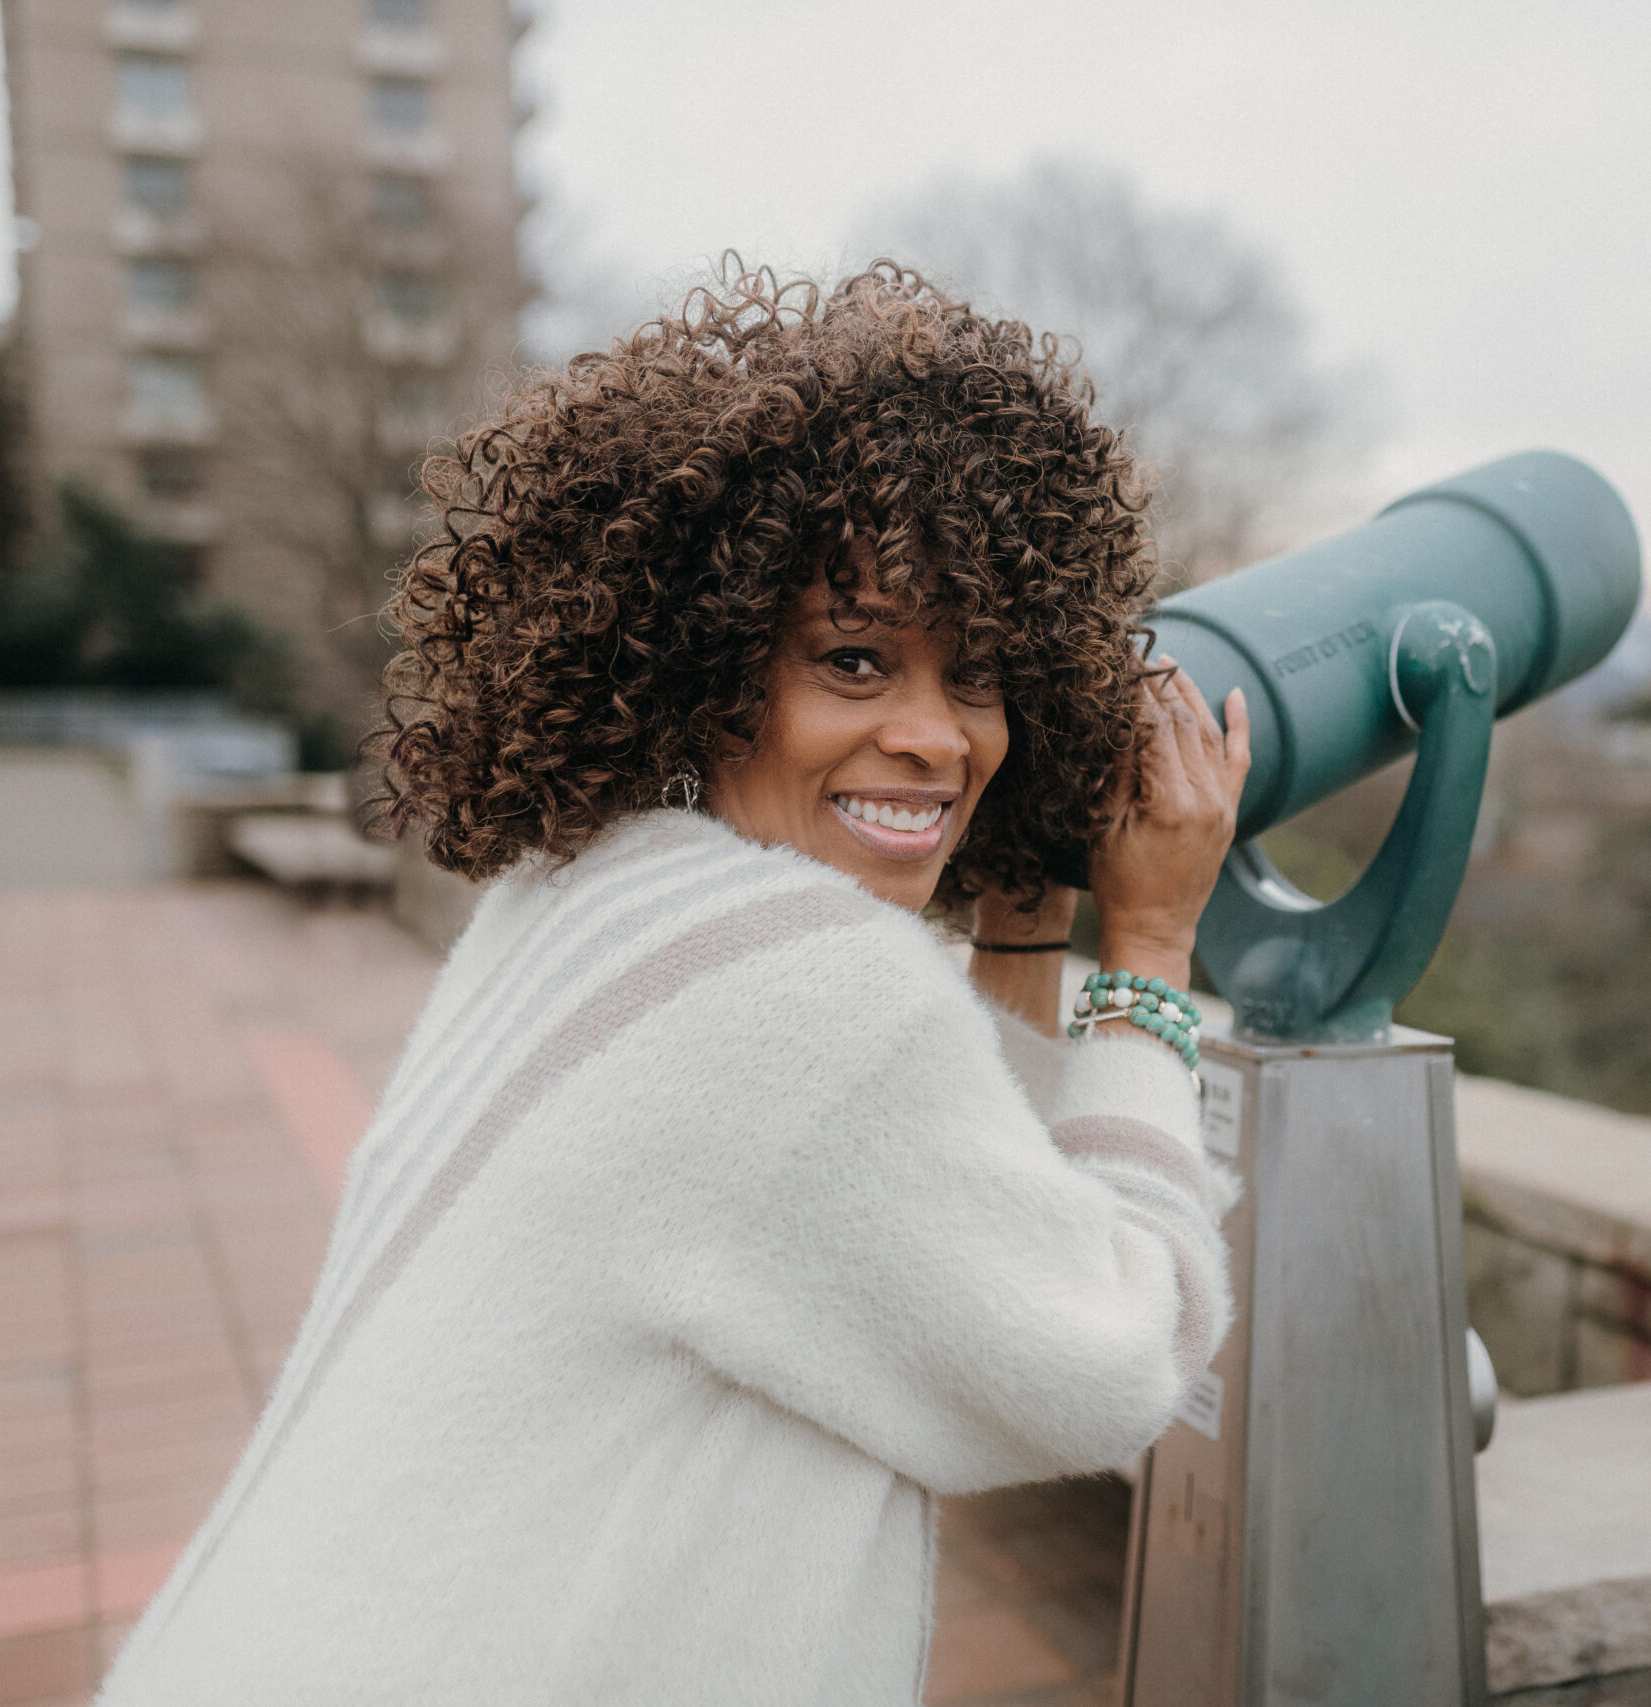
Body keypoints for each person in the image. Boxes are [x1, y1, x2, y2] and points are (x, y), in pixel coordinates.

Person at [97, 266, 1249, 1704]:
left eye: (979, 681)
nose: (936, 739)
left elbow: (957, 1212)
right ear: (709, 666)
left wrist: (1025, 919)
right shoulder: (803, 996)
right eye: (854, 661)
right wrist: (1147, 955)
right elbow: (1107, 1352)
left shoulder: (584, 892)